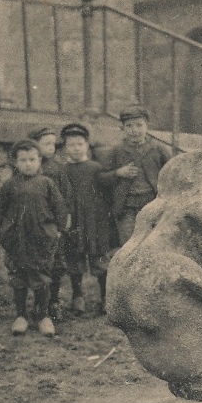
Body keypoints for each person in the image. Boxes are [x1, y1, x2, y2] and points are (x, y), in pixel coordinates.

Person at [0, 140, 68, 337]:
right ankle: (21, 316)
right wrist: (3, 233)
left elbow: (59, 208)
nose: (28, 164)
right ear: (15, 162)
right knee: (18, 277)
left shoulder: (47, 184)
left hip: (41, 239)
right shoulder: (9, 185)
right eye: (23, 160)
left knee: (41, 277)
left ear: (40, 160)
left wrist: (57, 231)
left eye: (32, 159)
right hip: (16, 241)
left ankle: (43, 316)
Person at [59, 122, 112, 315]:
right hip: (75, 222)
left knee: (99, 260)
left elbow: (107, 193)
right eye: (71, 144)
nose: (76, 148)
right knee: (75, 259)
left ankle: (105, 297)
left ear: (87, 146)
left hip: (94, 222)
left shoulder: (96, 168)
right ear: (65, 147)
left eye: (80, 144)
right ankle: (77, 296)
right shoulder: (62, 171)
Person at [104, 105, 172, 246]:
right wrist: (118, 173)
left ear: (147, 126)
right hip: (126, 206)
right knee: (129, 244)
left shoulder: (159, 149)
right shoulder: (117, 151)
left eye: (139, 125)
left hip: (153, 204)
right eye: (129, 126)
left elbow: (172, 173)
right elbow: (102, 177)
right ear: (122, 128)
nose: (134, 130)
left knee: (153, 242)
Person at [29, 126, 70, 320]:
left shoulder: (58, 168)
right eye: (46, 143)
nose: (51, 147)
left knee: (56, 263)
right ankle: (39, 303)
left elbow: (65, 196)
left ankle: (54, 301)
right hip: (35, 224)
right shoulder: (29, 168)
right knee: (38, 264)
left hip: (53, 224)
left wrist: (64, 220)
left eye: (53, 144)